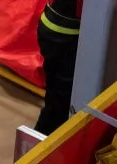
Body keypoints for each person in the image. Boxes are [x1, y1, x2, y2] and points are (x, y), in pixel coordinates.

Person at [35, 0, 84, 135]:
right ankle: (39, 150)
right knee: (58, 107)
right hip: (64, 35)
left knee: (57, 100)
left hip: (58, 27)